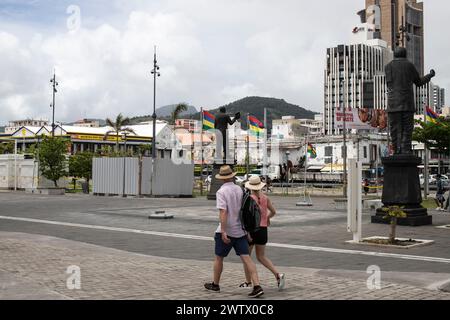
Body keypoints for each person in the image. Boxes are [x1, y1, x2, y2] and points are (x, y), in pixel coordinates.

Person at [204, 165, 264, 298]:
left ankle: (215, 284)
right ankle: (257, 285)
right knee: (247, 258)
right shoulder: (240, 190)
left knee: (219, 258)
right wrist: (247, 231)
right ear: (232, 176)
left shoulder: (221, 192)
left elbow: (223, 212)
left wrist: (224, 231)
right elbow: (245, 212)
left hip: (226, 231)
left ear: (221, 178)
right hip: (240, 231)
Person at [239, 175, 285, 291]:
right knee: (261, 257)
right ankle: (277, 275)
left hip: (252, 231)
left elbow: (246, 217)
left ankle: (248, 281)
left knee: (247, 257)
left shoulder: (249, 199)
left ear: (250, 186)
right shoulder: (265, 198)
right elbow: (273, 212)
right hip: (263, 230)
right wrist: (267, 218)